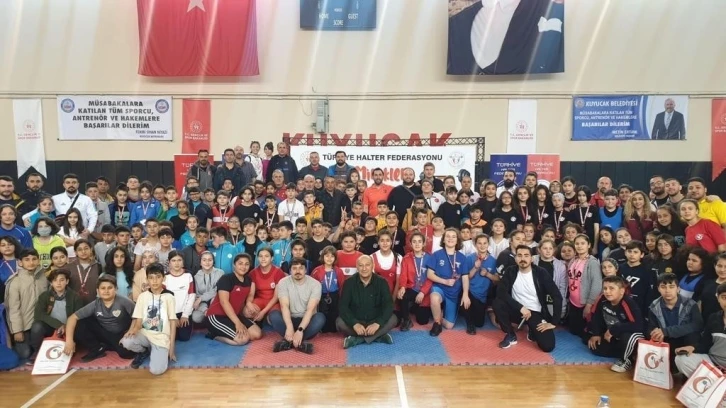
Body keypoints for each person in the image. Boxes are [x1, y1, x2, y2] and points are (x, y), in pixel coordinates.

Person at [493, 245, 560, 352]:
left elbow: (556, 295)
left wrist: (553, 322)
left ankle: (532, 330)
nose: (522, 258)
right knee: (497, 303)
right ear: (515, 258)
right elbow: (501, 292)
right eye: (519, 255)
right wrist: (521, 307)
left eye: (526, 255)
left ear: (532, 258)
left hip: (535, 312)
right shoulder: (511, 271)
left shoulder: (541, 272)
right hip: (517, 310)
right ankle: (510, 334)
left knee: (548, 346)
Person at [62, 275, 136, 362]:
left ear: (116, 289)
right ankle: (97, 348)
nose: (106, 291)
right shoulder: (95, 304)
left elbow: (137, 316)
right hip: (104, 332)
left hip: (121, 334)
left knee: (126, 354)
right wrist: (69, 341)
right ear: (98, 291)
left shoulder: (125, 301)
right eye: (103, 288)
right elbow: (72, 318)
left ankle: (108, 345)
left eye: (110, 288)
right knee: (79, 323)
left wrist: (131, 330)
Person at [120, 263, 177, 374]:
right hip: (145, 333)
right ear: (147, 279)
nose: (154, 281)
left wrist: (172, 349)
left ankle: (156, 350)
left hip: (161, 337)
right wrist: (134, 330)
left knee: (156, 371)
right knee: (126, 342)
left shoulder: (169, 297)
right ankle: (144, 351)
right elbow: (138, 320)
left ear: (164, 278)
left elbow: (172, 322)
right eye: (151, 278)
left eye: (158, 277)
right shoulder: (142, 296)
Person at [337, 255, 397, 348]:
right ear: (357, 267)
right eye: (361, 265)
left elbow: (389, 305)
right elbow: (343, 306)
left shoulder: (382, 282)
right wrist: (354, 323)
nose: (364, 268)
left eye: (367, 265)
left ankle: (358, 339)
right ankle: (378, 337)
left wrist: (378, 323)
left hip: (375, 321)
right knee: (339, 322)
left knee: (393, 319)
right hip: (357, 321)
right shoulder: (349, 282)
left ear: (373, 265)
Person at [588, 276, 646, 373]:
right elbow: (596, 317)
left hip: (631, 334)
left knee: (626, 337)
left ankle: (626, 360)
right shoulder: (602, 299)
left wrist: (613, 329)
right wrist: (596, 334)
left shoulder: (628, 302)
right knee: (595, 346)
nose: (607, 292)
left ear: (622, 291)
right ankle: (630, 353)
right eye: (605, 288)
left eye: (611, 288)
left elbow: (638, 325)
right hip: (613, 335)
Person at [204, 254, 263, 346]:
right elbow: (224, 302)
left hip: (233, 315)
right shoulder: (226, 279)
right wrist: (238, 323)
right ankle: (214, 335)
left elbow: (250, 294)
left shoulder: (248, 280)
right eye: (240, 263)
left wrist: (248, 303)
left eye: (246, 264)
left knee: (257, 334)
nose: (243, 267)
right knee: (243, 340)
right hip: (217, 316)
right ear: (234, 265)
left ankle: (232, 328)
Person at [268, 257, 324, 354]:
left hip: (307, 322)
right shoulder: (283, 282)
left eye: (301, 268)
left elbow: (310, 310)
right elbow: (284, 306)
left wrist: (300, 330)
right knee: (273, 315)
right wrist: (289, 327)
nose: (298, 271)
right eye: (294, 268)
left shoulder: (315, 284)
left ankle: (289, 342)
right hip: (289, 320)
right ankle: (300, 343)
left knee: (320, 318)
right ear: (290, 270)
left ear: (306, 270)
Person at [647, 273, 703, 367]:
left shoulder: (690, 304)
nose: (667, 290)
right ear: (658, 289)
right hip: (666, 341)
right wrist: (654, 334)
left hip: (685, 339)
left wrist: (667, 331)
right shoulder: (654, 306)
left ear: (678, 289)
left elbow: (697, 325)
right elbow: (651, 327)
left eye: (671, 287)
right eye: (663, 287)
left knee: (693, 336)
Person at [426, 228, 472, 336]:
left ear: (457, 240)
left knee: (449, 326)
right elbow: (429, 274)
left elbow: (465, 278)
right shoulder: (437, 254)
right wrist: (445, 281)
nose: (450, 239)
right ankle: (437, 323)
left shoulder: (462, 258)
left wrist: (465, 294)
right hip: (440, 287)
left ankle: (440, 313)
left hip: (453, 292)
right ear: (443, 239)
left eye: (453, 237)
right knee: (434, 298)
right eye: (448, 236)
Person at [29, 269, 83, 362]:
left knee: (81, 327)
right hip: (51, 327)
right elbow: (39, 314)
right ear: (51, 283)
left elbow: (79, 316)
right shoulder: (44, 296)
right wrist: (58, 325)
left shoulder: (75, 297)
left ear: (67, 281)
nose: (58, 283)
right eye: (55, 280)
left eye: (62, 280)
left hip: (69, 329)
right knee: (37, 326)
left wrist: (66, 327)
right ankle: (37, 352)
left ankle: (72, 347)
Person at [5, 249, 48, 359]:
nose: (31, 262)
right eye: (27, 260)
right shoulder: (15, 282)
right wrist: (17, 331)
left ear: (38, 261)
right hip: (23, 326)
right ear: (20, 262)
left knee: (38, 327)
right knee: (25, 354)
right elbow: (12, 309)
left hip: (41, 322)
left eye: (34, 259)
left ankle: (38, 350)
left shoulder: (44, 278)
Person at [566, 234, 602, 339]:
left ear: (589, 245)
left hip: (584, 303)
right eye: (577, 243)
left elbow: (597, 284)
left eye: (583, 243)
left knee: (583, 336)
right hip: (572, 301)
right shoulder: (573, 260)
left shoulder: (592, 262)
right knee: (573, 332)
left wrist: (589, 304)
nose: (579, 246)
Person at [464, 234, 498, 334]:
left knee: (479, 323)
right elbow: (466, 277)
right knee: (465, 299)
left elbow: (497, 279)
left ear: (488, 244)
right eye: (479, 243)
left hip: (482, 295)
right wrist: (475, 268)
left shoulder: (493, 260)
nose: (482, 246)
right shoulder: (469, 258)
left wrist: (487, 274)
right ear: (475, 245)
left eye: (485, 243)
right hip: (469, 291)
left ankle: (485, 309)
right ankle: (469, 324)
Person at [311, 246, 346, 333]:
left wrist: (341, 298)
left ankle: (333, 329)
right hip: (321, 296)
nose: (329, 258)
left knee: (334, 313)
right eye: (327, 256)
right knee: (323, 312)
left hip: (334, 295)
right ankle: (323, 329)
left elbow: (342, 285)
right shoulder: (316, 271)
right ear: (323, 257)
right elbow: (312, 286)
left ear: (335, 258)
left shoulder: (338, 271)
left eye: (332, 256)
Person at [248, 247, 286, 325]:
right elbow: (251, 294)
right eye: (260, 256)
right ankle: (257, 323)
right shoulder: (253, 273)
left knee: (274, 318)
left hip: (274, 302)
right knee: (247, 312)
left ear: (272, 258)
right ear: (257, 258)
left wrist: (263, 312)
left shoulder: (278, 272)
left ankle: (265, 319)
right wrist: (248, 303)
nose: (263, 259)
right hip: (260, 300)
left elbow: (276, 297)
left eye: (266, 256)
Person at [164, 251, 195, 341]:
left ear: (183, 261)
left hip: (184, 312)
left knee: (184, 338)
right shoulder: (165, 277)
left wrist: (185, 315)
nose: (176, 263)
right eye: (173, 260)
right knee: (172, 337)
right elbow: (164, 299)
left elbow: (192, 296)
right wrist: (172, 316)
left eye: (179, 260)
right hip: (171, 313)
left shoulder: (188, 275)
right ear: (169, 262)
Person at [191, 251, 224, 324]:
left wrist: (201, 298)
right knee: (195, 317)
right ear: (200, 262)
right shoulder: (196, 276)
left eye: (210, 260)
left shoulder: (220, 273)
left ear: (213, 261)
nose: (207, 262)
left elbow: (218, 290)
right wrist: (205, 309)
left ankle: (212, 318)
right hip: (202, 304)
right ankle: (209, 316)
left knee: (214, 300)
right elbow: (197, 296)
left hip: (216, 301)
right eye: (204, 260)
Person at [68, 239, 101, 305]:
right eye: (80, 249)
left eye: (86, 248)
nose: (83, 252)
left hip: (93, 304)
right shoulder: (69, 267)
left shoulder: (98, 266)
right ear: (75, 252)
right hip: (74, 304)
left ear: (91, 249)